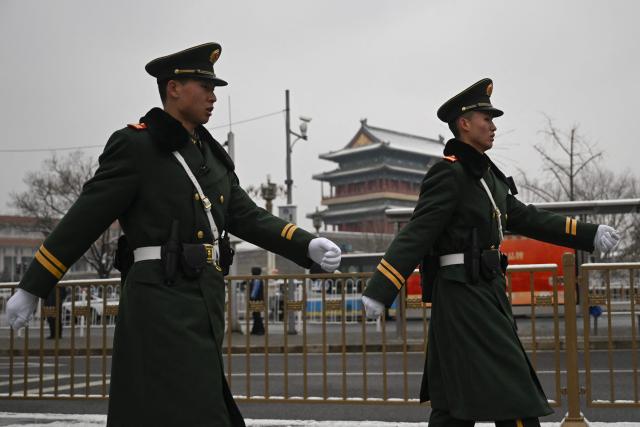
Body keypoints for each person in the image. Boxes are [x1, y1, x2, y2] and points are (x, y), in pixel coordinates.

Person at [6, 42, 341, 427]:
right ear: (174, 88)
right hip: (159, 301)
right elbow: (84, 219)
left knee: (183, 408)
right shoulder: (136, 146)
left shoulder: (211, 156)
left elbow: (245, 215)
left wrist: (305, 243)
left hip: (205, 298)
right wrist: (35, 284)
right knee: (190, 410)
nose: (214, 96)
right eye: (206, 86)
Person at [361, 78, 620, 427]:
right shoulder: (449, 174)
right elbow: (417, 232)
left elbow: (527, 217)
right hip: (462, 294)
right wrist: (382, 288)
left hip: (487, 291)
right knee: (512, 392)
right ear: (465, 123)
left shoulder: (488, 178)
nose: (494, 126)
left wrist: (586, 233)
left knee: (454, 401)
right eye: (487, 118)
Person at [249, 266, 265, 335]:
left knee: (257, 315)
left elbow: (255, 291)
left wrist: (251, 298)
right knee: (256, 314)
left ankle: (260, 330)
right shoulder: (257, 279)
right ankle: (255, 330)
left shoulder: (256, 279)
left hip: (256, 299)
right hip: (258, 299)